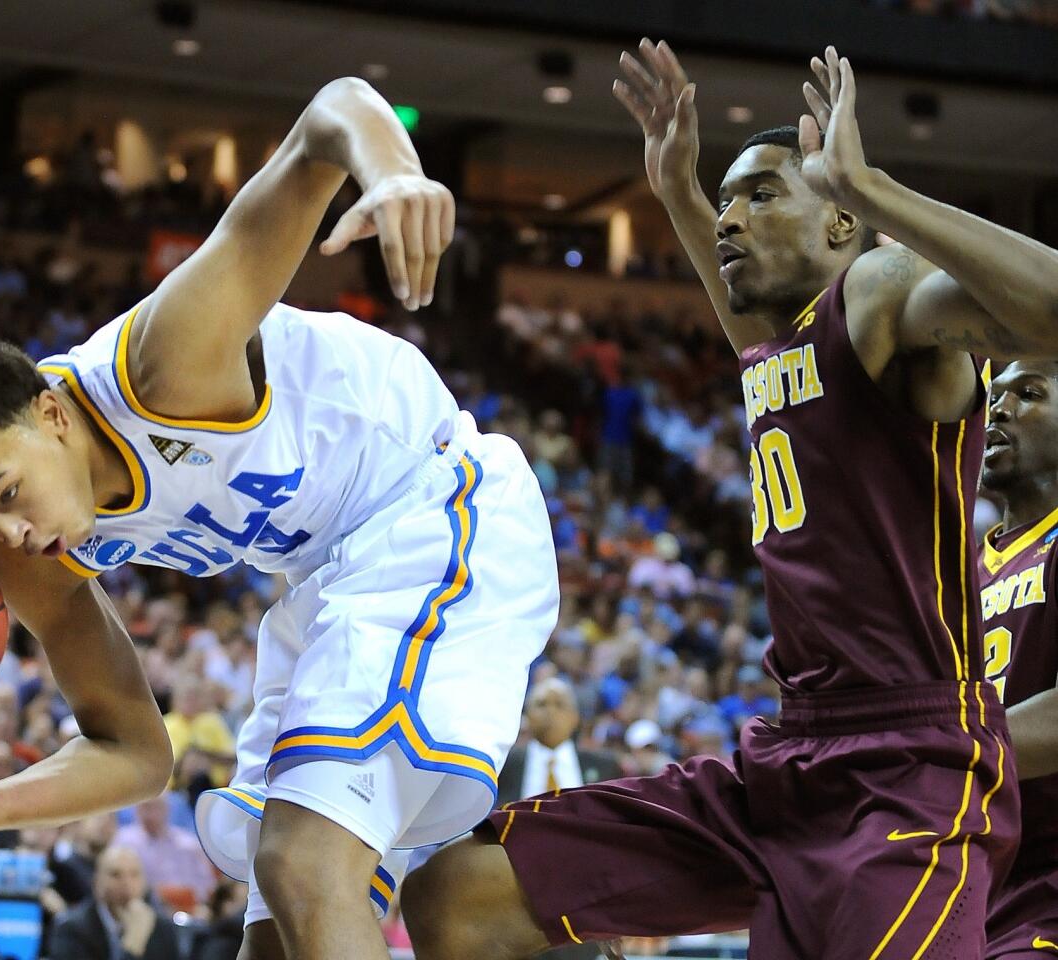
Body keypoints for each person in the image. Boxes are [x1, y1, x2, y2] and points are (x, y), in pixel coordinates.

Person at [0, 76, 558, 960]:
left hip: (431, 508)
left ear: (51, 415)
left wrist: (394, 171)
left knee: (304, 864)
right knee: (273, 929)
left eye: (4, 495)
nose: (9, 538)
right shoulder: (30, 554)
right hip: (325, 578)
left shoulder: (164, 363)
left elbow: (326, 118)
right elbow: (138, 754)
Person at [403, 40, 1058, 960]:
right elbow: (749, 335)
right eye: (729, 199)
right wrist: (676, 192)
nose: (732, 217)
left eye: (761, 194)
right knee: (459, 893)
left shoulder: (876, 291)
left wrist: (869, 189)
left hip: (907, 766)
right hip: (788, 757)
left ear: (837, 227)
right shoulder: (778, 356)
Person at [976, 361, 1058, 959]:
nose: (997, 410)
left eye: (1028, 394)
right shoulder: (944, 574)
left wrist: (941, 751)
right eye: (993, 396)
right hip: (961, 875)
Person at [495, 677, 619, 806]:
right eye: (541, 704)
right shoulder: (503, 764)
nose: (551, 712)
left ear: (575, 717)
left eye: (559, 704)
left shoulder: (605, 766)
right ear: (527, 715)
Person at [48, 845, 180, 960]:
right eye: (115, 875)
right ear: (97, 882)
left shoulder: (163, 928)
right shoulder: (71, 929)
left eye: (134, 874)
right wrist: (133, 943)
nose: (126, 883)